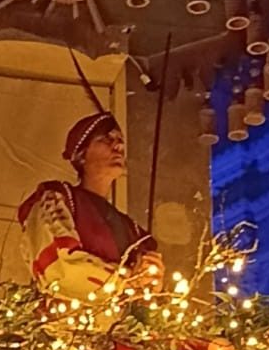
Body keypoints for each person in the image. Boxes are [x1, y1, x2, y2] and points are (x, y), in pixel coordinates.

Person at [18, 110, 164, 300]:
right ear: (81, 155)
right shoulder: (57, 198)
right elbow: (59, 266)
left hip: (118, 318)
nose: (118, 146)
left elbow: (145, 292)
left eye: (120, 140)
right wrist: (125, 281)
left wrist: (150, 279)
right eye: (105, 139)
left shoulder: (133, 231)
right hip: (65, 316)